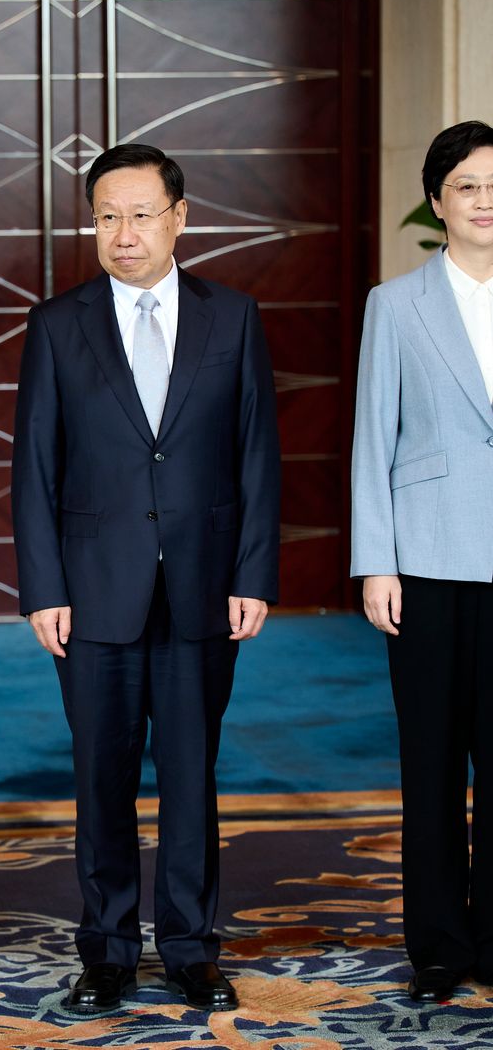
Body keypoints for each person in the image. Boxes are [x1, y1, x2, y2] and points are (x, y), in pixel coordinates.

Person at [12, 143, 280, 1015]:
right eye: (105, 217)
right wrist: (44, 587)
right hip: (93, 589)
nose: (122, 234)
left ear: (179, 217)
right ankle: (109, 952)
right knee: (103, 777)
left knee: (192, 774)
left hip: (205, 581)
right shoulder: (58, 324)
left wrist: (254, 572)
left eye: (139, 214)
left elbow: (255, 457)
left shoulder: (232, 317)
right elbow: (35, 470)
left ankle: (194, 948)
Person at [351, 119, 493, 1004]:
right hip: (431, 561)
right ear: (438, 201)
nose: (487, 201)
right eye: (470, 185)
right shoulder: (396, 303)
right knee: (433, 763)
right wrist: (377, 561)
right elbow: (374, 437)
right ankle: (440, 945)